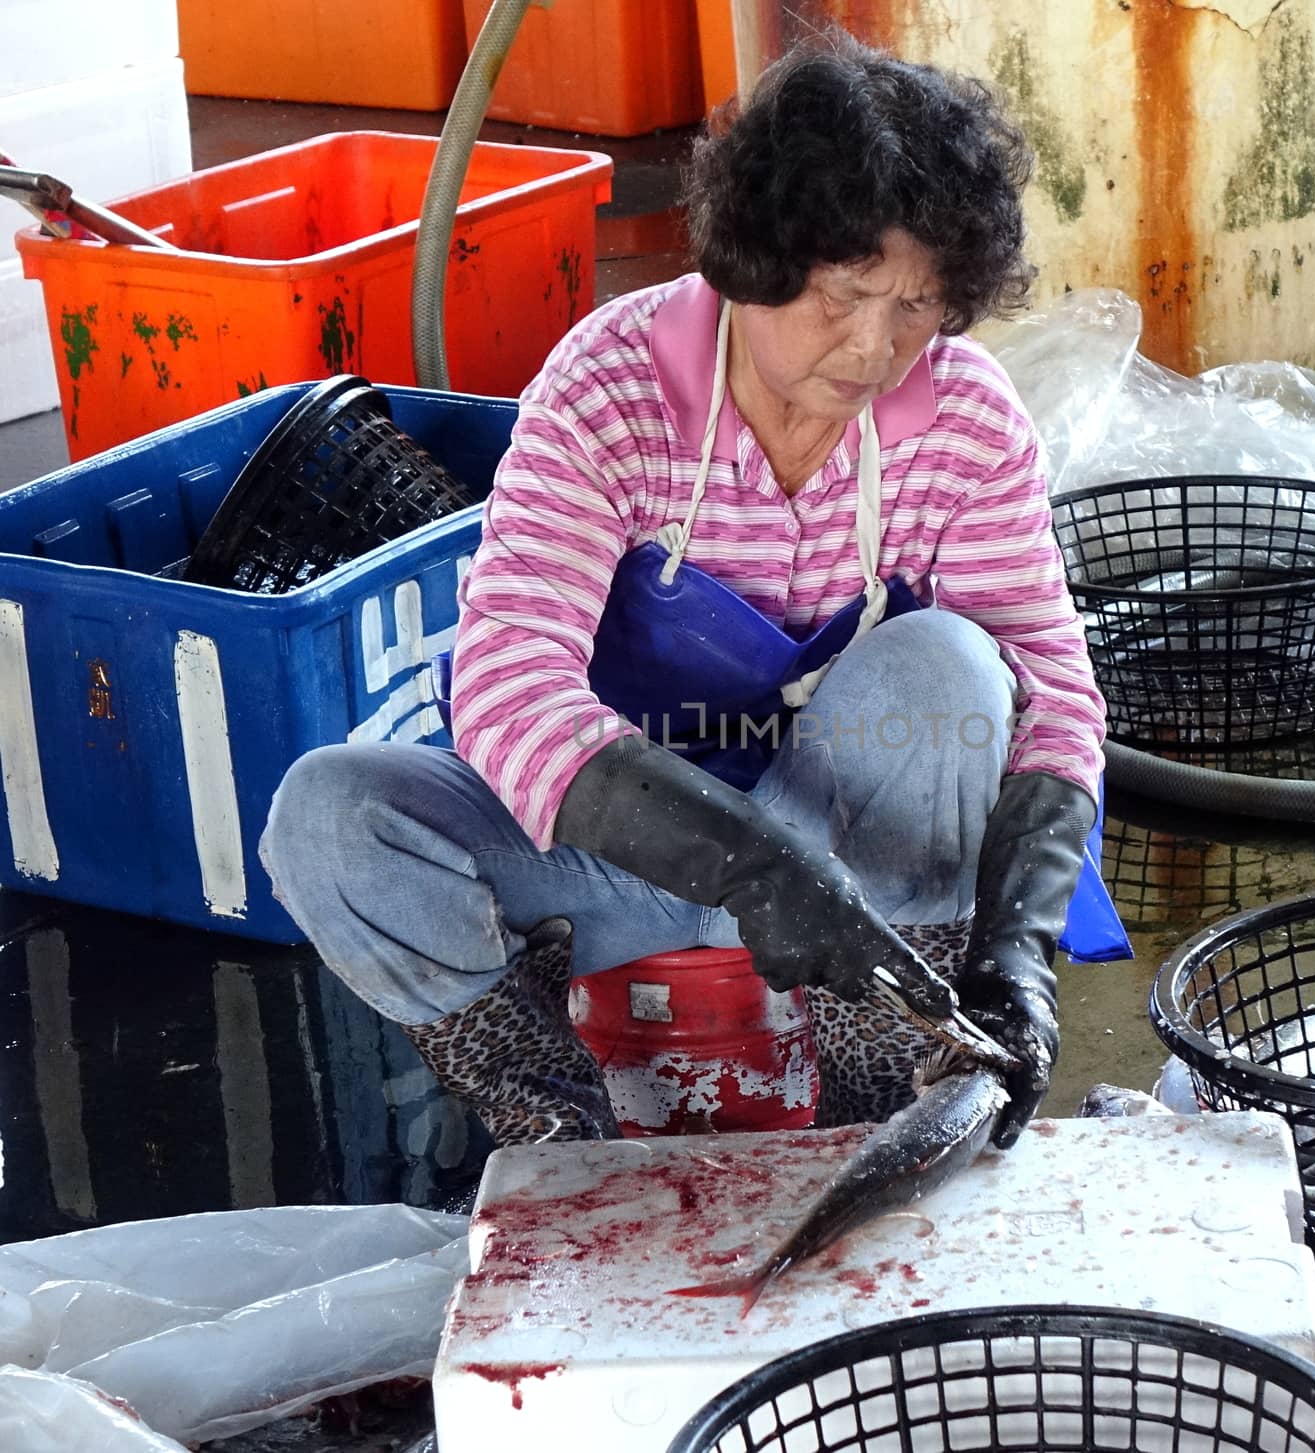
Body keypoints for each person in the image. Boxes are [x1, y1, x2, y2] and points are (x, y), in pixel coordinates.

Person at [260, 32, 1106, 1161]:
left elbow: (1053, 697)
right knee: (329, 811)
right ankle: (556, 1120)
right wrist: (756, 868)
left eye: (916, 306)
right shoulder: (610, 385)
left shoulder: (965, 418)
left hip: (864, 897)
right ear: (755, 260)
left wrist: (1016, 957)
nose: (874, 347)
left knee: (949, 667)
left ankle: (877, 1087)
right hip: (621, 876)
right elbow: (509, 692)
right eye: (845, 294)